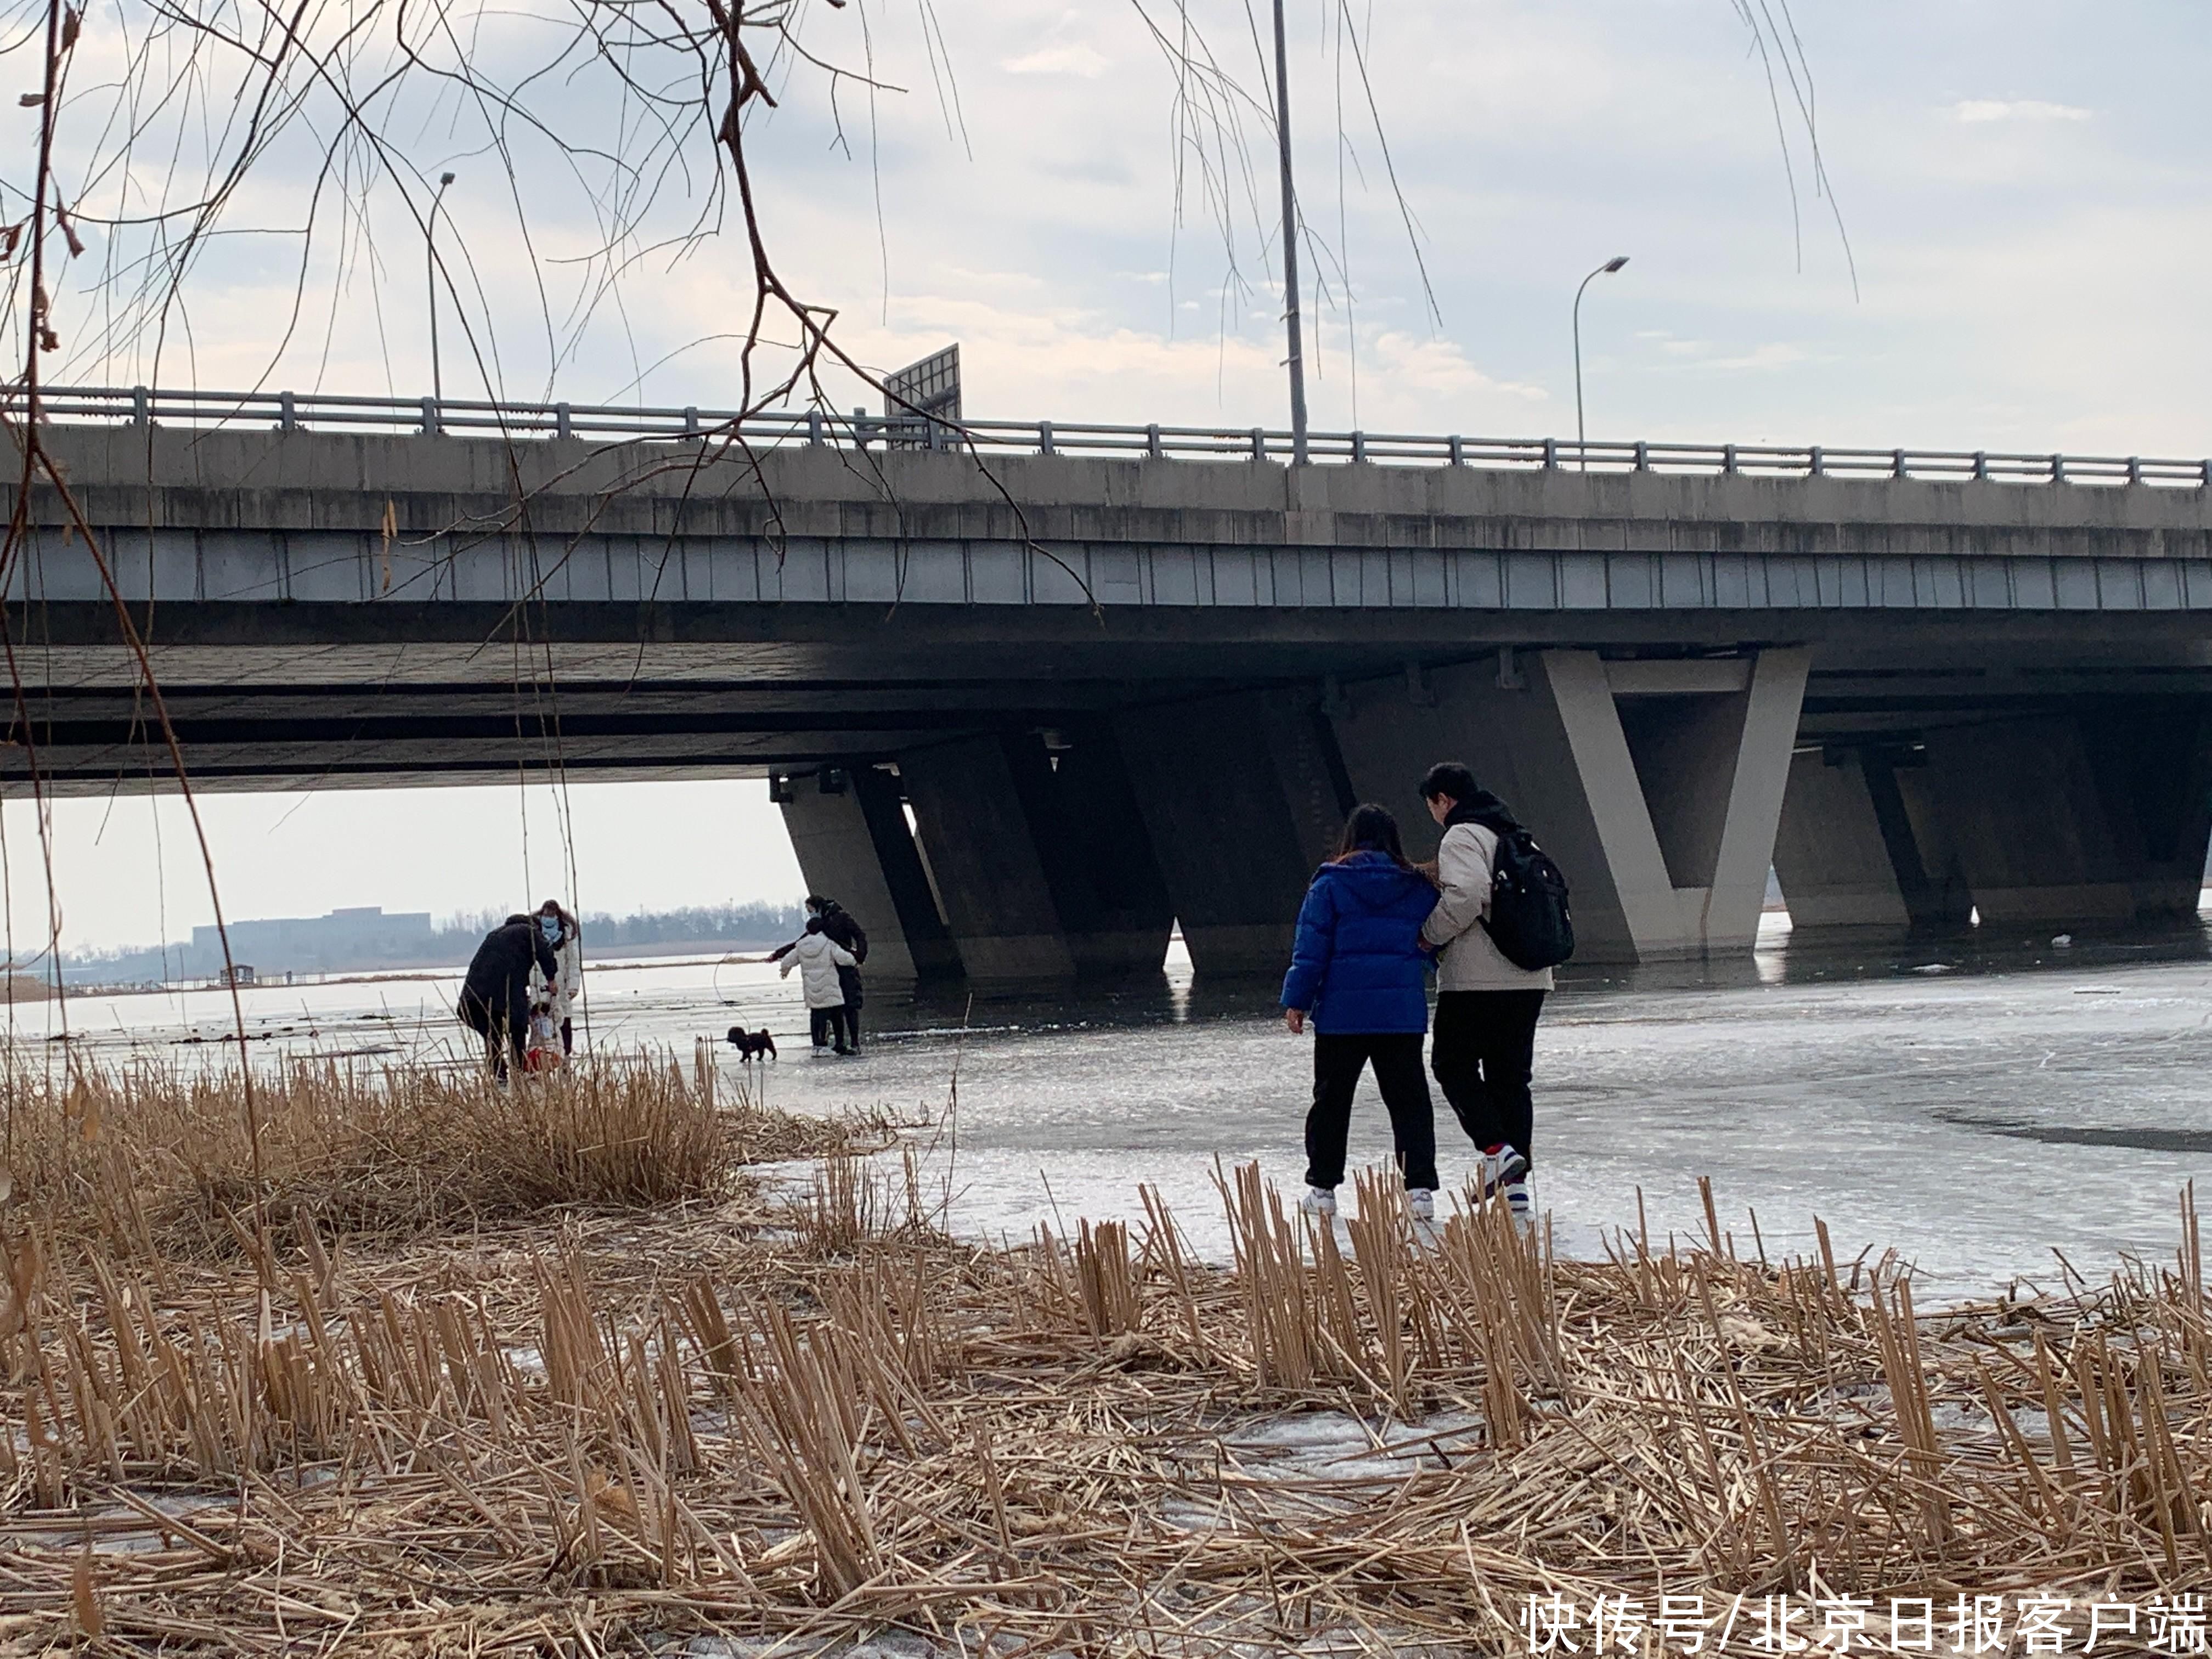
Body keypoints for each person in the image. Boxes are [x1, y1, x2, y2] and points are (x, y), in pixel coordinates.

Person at [1280, 803, 1443, 1222]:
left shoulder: (1329, 885)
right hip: (1400, 1013)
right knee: (1409, 1102)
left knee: (1332, 1101)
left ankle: (1323, 1188)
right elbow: (1436, 942)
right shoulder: (1418, 887)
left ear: (1351, 838)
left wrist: (1297, 1000)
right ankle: (1420, 1190)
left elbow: (1311, 949)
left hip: (1341, 1014)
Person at [1418, 761, 1553, 1233]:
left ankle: (1497, 1150)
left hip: (1477, 978)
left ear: (1443, 800)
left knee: (1450, 1065)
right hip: (1531, 977)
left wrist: (1429, 935)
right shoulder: (1515, 833)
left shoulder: (1462, 835)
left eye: (1432, 807)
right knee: (1511, 1078)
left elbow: (1468, 894)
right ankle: (1517, 1192)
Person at [459, 913, 560, 1079]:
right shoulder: (529, 931)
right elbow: (545, 952)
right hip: (505, 993)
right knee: (517, 1027)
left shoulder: (496, 935)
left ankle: (499, 1073)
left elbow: (507, 965)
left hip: (473, 996)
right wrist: (551, 979)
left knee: (493, 1035)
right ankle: (518, 1068)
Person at [770, 895, 870, 1052]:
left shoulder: (841, 918)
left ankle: (852, 1042)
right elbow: (799, 944)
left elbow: (859, 935)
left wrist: (860, 956)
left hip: (845, 971)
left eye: (810, 910)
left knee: (849, 1007)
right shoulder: (818, 926)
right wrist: (778, 954)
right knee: (833, 1009)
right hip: (832, 970)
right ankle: (831, 1043)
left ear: (818, 907)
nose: (810, 914)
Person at [780, 916, 858, 1055]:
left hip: (812, 989)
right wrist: (855, 961)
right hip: (830, 987)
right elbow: (843, 958)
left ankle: (817, 1044)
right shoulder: (829, 944)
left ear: (808, 930)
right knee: (836, 1016)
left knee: (816, 1015)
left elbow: (787, 961)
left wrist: (785, 971)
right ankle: (839, 1044)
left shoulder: (801, 946)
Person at [530, 899, 583, 1054]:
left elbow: (573, 962)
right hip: (538, 986)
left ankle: (565, 1058)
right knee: (539, 1024)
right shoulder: (534, 932)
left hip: (561, 985)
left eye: (551, 915)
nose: (548, 918)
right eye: (546, 915)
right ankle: (541, 1058)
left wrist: (573, 986)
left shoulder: (567, 933)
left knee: (564, 1022)